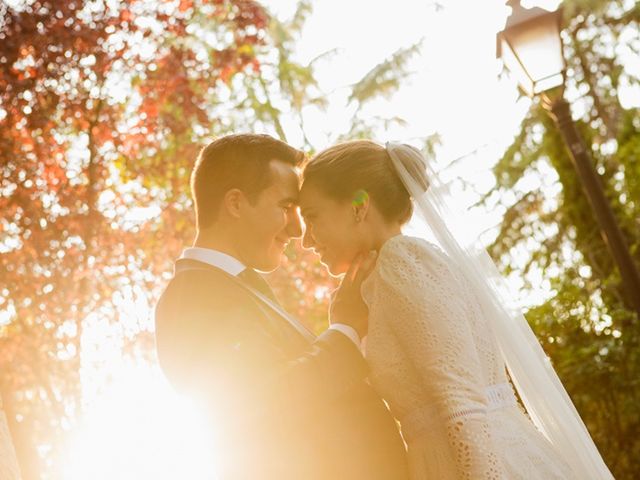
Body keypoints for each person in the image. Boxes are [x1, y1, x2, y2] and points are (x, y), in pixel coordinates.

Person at [299, 140, 614, 479]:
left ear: (359, 207)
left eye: (312, 217)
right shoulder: (387, 275)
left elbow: (462, 401)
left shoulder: (404, 262)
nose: (305, 240)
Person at [154, 134, 408, 480]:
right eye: (286, 208)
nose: (296, 229)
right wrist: (345, 331)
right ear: (236, 204)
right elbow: (262, 402)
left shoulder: (231, 288)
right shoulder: (194, 296)